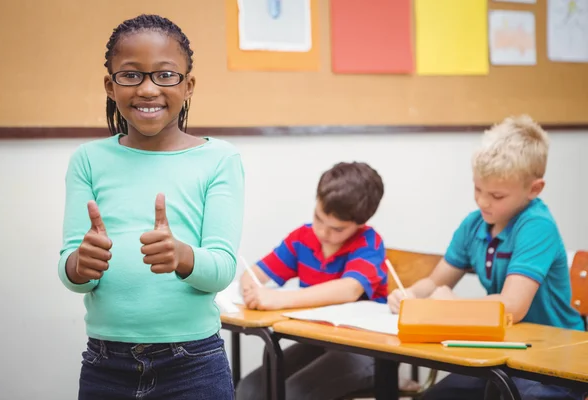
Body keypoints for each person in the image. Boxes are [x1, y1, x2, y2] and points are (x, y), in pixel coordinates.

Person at [58, 14, 244, 400]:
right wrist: (81, 264)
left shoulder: (220, 160)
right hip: (105, 364)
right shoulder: (88, 160)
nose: (147, 89)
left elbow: (222, 270)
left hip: (193, 364)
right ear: (110, 86)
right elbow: (72, 272)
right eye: (130, 75)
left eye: (165, 75)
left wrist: (182, 256)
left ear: (188, 85)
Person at [388, 115, 585, 400]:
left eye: (496, 195)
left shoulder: (537, 225)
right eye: (477, 189)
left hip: (554, 360)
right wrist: (411, 295)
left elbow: (513, 306)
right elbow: (435, 281)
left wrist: (451, 308)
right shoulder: (474, 224)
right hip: (505, 351)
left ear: (534, 189)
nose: (482, 201)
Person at [237, 162, 417, 400]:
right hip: (317, 342)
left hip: (367, 350)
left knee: (293, 394)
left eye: (337, 229)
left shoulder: (369, 243)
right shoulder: (303, 237)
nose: (322, 232)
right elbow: (253, 274)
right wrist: (250, 288)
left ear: (361, 223)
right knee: (249, 390)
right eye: (318, 218)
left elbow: (349, 289)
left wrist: (279, 298)